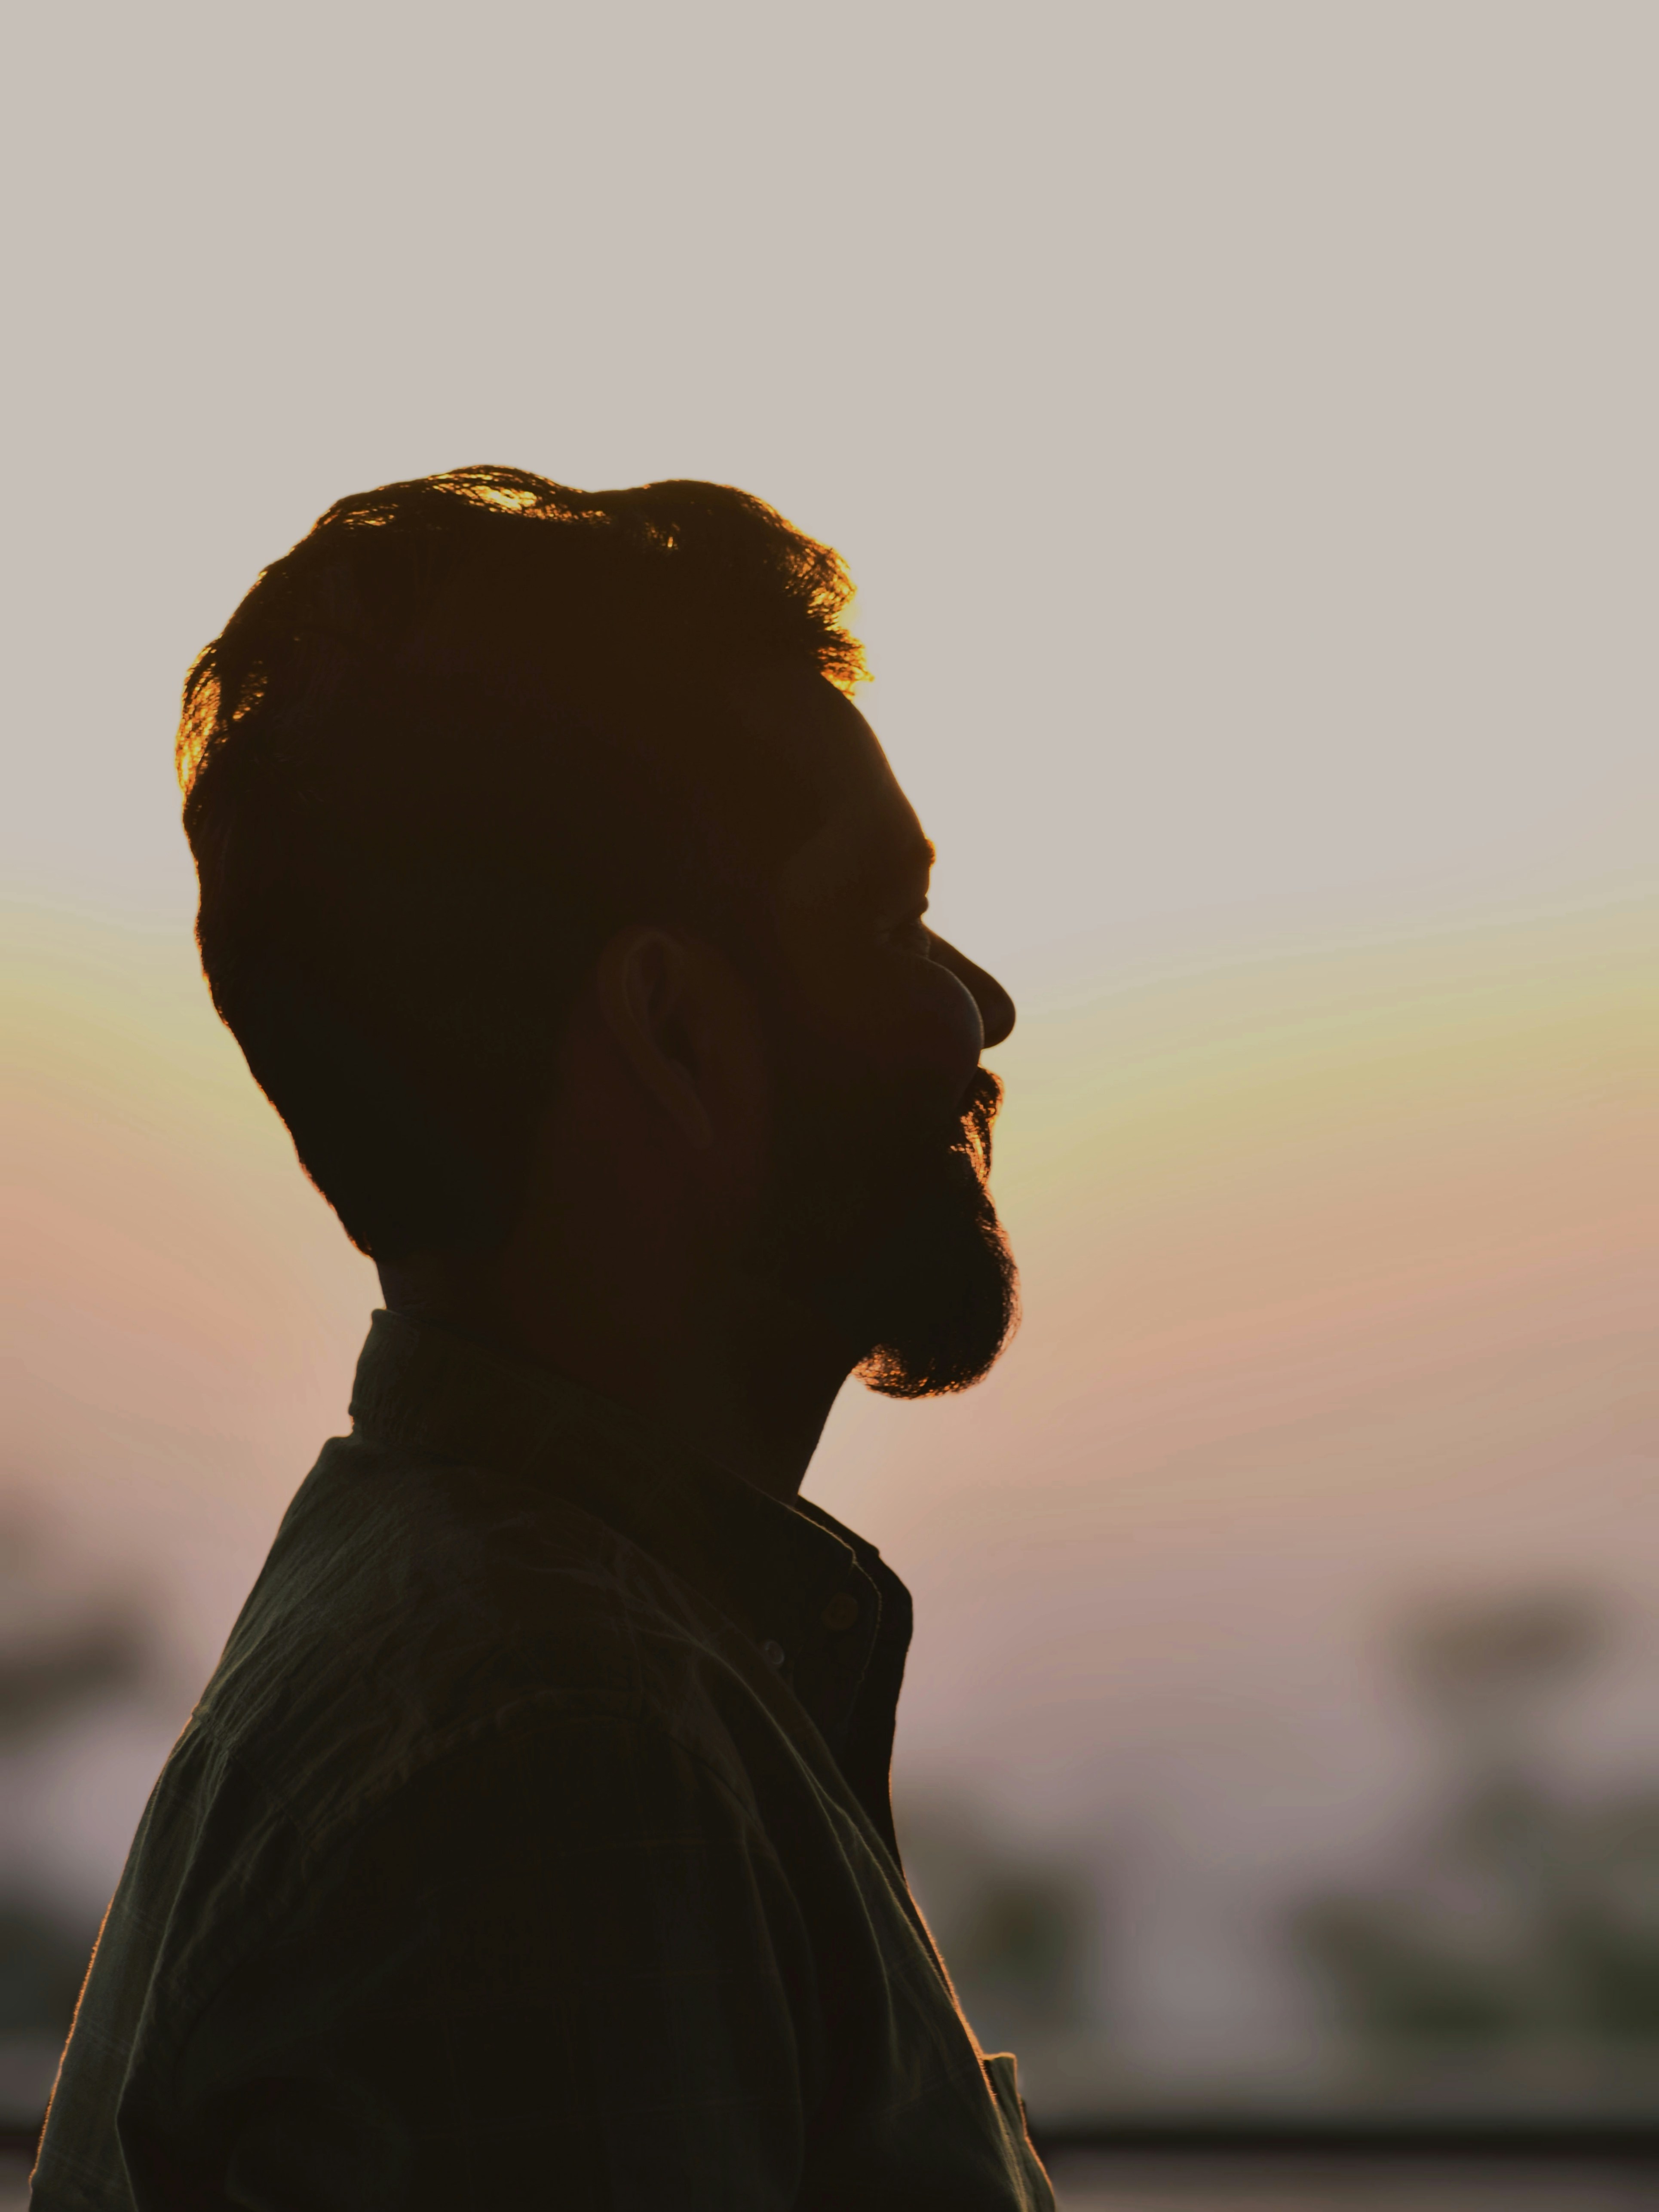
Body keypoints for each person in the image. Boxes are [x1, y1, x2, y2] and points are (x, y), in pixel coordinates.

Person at [33, 467, 1051, 2209]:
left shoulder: (500, 1656)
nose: (979, 1007)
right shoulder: (558, 1763)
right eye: (884, 922)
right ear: (671, 1029)